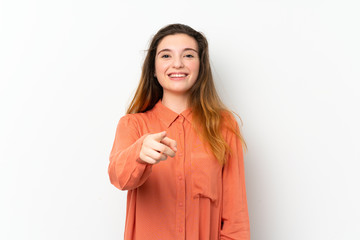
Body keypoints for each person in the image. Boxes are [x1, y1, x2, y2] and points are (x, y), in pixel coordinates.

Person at [108, 23, 250, 240]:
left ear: (201, 66)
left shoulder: (224, 126)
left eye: (189, 55)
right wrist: (138, 153)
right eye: (166, 56)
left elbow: (235, 217)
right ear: (153, 69)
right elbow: (119, 178)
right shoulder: (132, 125)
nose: (177, 64)